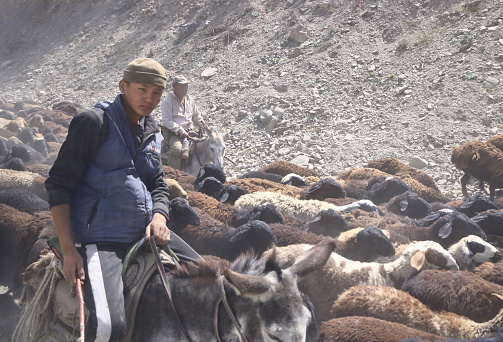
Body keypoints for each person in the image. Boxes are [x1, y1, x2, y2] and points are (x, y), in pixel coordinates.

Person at [45, 58, 201, 342]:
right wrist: (69, 250)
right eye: (142, 90)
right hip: (99, 238)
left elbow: (157, 184)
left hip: (142, 230)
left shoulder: (151, 130)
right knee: (109, 326)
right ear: (123, 86)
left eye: (156, 93)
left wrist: (159, 217)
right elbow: (58, 185)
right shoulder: (94, 122)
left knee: (208, 281)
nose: (149, 99)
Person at [160, 75, 206, 170]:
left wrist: (205, 127)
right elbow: (167, 120)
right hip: (173, 132)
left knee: (207, 146)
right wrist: (180, 130)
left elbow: (196, 116)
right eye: (182, 86)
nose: (185, 88)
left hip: (190, 129)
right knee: (176, 150)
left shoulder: (190, 99)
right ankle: (175, 173)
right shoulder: (168, 101)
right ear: (174, 87)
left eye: (186, 85)